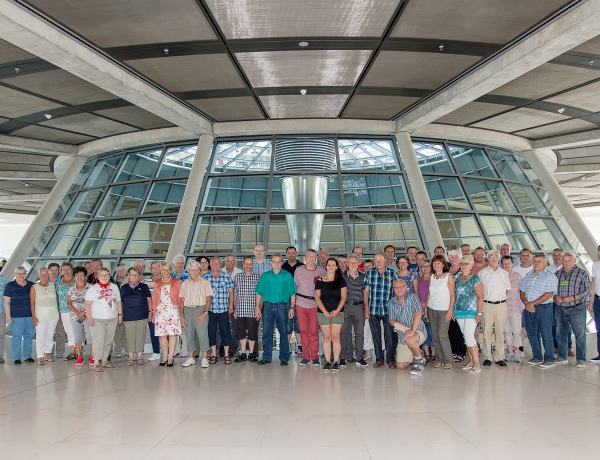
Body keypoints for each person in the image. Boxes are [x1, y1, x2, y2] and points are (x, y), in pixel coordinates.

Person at [255, 253, 296, 366]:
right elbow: (259, 293)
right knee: (267, 332)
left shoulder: (287, 276)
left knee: (283, 332)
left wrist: (292, 307)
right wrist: (257, 307)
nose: (276, 264)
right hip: (267, 307)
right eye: (274, 261)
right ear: (271, 263)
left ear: (282, 263)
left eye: (279, 261)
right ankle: (266, 357)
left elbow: (292, 293)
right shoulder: (265, 276)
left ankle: (284, 358)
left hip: (282, 307)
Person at [519, 255, 557, 368]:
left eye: (539, 261)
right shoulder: (528, 275)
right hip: (528, 308)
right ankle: (537, 356)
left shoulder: (550, 276)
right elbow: (522, 290)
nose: (536, 263)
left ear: (545, 263)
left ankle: (549, 358)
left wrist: (533, 303)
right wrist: (526, 303)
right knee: (531, 333)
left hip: (544, 308)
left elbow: (549, 294)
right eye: (535, 261)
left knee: (546, 333)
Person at [553, 253, 590, 368]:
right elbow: (552, 290)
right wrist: (556, 297)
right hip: (560, 308)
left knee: (580, 334)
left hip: (577, 308)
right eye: (564, 260)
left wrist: (573, 297)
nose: (567, 262)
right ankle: (562, 356)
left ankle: (581, 359)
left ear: (574, 261)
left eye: (569, 260)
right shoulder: (557, 274)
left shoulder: (582, 273)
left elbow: (587, 291)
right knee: (560, 333)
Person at [363, 252, 399, 368]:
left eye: (380, 259)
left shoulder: (392, 274)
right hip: (373, 310)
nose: (378, 262)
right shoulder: (370, 273)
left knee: (389, 335)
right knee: (376, 335)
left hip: (388, 311)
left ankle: (390, 359)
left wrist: (396, 309)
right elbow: (366, 292)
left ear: (384, 260)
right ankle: (379, 359)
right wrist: (366, 308)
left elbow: (397, 292)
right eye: (376, 260)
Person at [478, 249, 511, 367]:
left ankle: (499, 357)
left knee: (500, 332)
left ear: (499, 258)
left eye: (496, 256)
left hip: (501, 304)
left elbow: (507, 289)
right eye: (491, 256)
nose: (493, 258)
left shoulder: (504, 273)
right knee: (486, 331)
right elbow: (479, 290)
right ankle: (488, 356)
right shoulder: (482, 273)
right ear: (487, 258)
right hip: (487, 304)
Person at [85, 268, 122, 372]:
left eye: (107, 275)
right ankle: (96, 362)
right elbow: (88, 304)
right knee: (98, 340)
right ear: (98, 276)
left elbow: (118, 301)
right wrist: (90, 318)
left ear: (110, 276)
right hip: (97, 319)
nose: (105, 277)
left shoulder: (114, 287)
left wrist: (120, 314)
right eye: (102, 275)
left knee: (108, 340)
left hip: (112, 318)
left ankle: (105, 360)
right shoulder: (93, 289)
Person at [388, 279, 427, 375]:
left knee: (410, 338)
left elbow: (418, 314)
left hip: (418, 331)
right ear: (393, 289)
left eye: (401, 286)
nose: (399, 289)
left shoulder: (412, 297)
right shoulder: (391, 302)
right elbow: (392, 321)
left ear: (406, 287)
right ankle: (419, 352)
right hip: (403, 336)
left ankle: (418, 362)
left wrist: (412, 331)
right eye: (396, 287)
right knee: (400, 366)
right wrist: (405, 330)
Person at [295, 249, 326, 366]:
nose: (311, 258)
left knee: (313, 331)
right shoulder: (298, 270)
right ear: (305, 258)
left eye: (313, 256)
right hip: (301, 304)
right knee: (303, 331)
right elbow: (296, 286)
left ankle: (315, 356)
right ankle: (306, 356)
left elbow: (325, 288)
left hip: (315, 304)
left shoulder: (321, 271)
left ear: (316, 258)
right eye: (309, 256)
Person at [315, 258, 347, 371]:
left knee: (336, 337)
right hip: (323, 312)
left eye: (333, 265)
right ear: (326, 266)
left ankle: (336, 361)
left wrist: (337, 310)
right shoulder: (319, 281)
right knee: (326, 337)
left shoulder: (341, 280)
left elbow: (344, 297)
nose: (331, 267)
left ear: (336, 267)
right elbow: (317, 298)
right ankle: (328, 361)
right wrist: (324, 311)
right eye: (329, 265)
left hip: (337, 313)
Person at [179, 261, 213, 368]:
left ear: (199, 270)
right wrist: (181, 315)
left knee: (202, 334)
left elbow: (208, 300)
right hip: (188, 310)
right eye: (192, 270)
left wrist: (204, 313)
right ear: (188, 271)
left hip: (201, 309)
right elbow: (181, 301)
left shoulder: (205, 283)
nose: (194, 272)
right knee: (189, 334)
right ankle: (191, 358)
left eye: (196, 269)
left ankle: (204, 358)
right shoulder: (184, 284)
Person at [453, 256, 483, 374]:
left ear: (471, 265)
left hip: (472, 311)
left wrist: (479, 313)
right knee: (466, 337)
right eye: (462, 263)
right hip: (459, 311)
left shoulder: (476, 278)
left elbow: (480, 297)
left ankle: (477, 363)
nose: (464, 266)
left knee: (469, 336)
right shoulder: (456, 277)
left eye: (466, 264)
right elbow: (454, 294)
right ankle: (470, 361)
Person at [203, 257, 234, 364]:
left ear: (221, 265)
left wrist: (231, 306)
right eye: (214, 263)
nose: (216, 265)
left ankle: (226, 354)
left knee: (225, 332)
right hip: (210, 310)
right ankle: (214, 354)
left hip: (223, 309)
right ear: (210, 264)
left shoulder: (226, 276)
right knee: (211, 332)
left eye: (218, 263)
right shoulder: (205, 277)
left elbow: (231, 292)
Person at [427, 255, 455, 369]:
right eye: (434, 263)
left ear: (444, 264)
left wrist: (450, 310)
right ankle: (439, 358)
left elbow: (453, 294)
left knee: (442, 335)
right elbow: (429, 293)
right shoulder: (432, 276)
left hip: (443, 309)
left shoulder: (448, 276)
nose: (436, 265)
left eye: (439, 263)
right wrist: (425, 309)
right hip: (431, 308)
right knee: (434, 336)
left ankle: (448, 360)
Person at [152, 262, 182, 367]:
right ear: (161, 270)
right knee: (161, 335)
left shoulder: (177, 281)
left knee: (173, 334)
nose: (166, 271)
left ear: (171, 270)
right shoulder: (157, 282)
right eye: (163, 269)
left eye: (168, 269)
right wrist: (153, 312)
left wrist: (180, 311)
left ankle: (170, 357)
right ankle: (164, 356)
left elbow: (180, 297)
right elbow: (154, 299)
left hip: (173, 310)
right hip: (160, 311)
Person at [120, 267, 152, 366]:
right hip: (128, 316)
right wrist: (120, 315)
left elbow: (149, 300)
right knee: (130, 337)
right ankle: (130, 357)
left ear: (139, 276)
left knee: (140, 336)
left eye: (136, 275)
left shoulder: (144, 286)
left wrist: (150, 312)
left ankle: (139, 357)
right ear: (128, 276)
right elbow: (120, 303)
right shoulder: (124, 288)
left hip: (142, 315)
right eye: (132, 274)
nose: (134, 277)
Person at [4, 266, 35, 364]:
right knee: (17, 336)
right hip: (16, 316)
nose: (21, 275)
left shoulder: (31, 285)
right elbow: (6, 302)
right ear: (15, 274)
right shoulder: (10, 286)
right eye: (19, 273)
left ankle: (27, 356)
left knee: (29, 336)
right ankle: (17, 357)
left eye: (23, 273)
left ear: (26, 274)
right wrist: (8, 317)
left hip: (29, 315)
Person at [341, 255, 368, 367]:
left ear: (358, 264)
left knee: (360, 334)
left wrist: (366, 308)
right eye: (350, 262)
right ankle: (343, 357)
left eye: (355, 263)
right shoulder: (341, 277)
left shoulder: (363, 277)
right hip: (345, 307)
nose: (352, 264)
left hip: (359, 307)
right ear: (347, 264)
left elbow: (365, 293)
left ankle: (359, 358)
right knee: (344, 333)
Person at [232, 257, 260, 363]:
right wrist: (234, 309)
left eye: (250, 264)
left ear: (253, 265)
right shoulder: (237, 277)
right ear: (243, 264)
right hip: (240, 310)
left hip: (252, 310)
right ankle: (243, 353)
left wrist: (259, 309)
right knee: (241, 333)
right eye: (246, 264)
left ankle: (252, 353)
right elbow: (235, 293)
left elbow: (260, 294)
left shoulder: (258, 277)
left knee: (252, 333)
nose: (248, 266)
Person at [31, 267, 59, 365]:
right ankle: (40, 356)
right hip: (40, 315)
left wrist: (57, 312)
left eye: (46, 274)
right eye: (42, 274)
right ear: (39, 275)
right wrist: (34, 316)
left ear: (48, 275)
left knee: (50, 335)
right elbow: (32, 303)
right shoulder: (34, 287)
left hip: (53, 314)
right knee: (40, 336)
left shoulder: (52, 285)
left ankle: (48, 353)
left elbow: (55, 299)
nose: (44, 276)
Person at [547, 248, 572, 355]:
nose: (557, 256)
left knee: (566, 325)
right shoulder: (548, 269)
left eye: (559, 254)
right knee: (553, 324)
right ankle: (555, 346)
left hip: (565, 301)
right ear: (552, 256)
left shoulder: (567, 268)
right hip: (552, 300)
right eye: (555, 254)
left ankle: (568, 347)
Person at [67, 266, 93, 366]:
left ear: (85, 276)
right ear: (74, 277)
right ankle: (79, 356)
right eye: (77, 275)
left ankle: (92, 356)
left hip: (88, 314)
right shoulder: (71, 289)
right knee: (77, 337)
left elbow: (93, 301)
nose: (79, 277)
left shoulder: (90, 287)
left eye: (81, 275)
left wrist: (83, 312)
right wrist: (78, 313)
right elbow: (69, 303)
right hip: (75, 316)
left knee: (90, 336)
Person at [137, 260, 161, 362]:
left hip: (163, 309)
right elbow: (145, 297)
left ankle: (167, 351)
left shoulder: (165, 279)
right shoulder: (146, 281)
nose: (155, 270)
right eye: (153, 268)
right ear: (150, 270)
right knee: (153, 331)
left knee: (165, 332)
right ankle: (156, 352)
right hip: (151, 309)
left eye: (157, 267)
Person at [282, 246, 304, 355]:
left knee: (299, 323)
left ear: (296, 254)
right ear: (286, 255)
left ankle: (300, 347)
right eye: (289, 253)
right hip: (286, 300)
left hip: (300, 299)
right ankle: (287, 347)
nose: (291, 255)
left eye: (293, 253)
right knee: (287, 324)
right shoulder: (282, 268)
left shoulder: (302, 267)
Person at [413, 259, 435, 364]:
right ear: (420, 268)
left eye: (427, 266)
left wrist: (427, 304)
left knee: (432, 330)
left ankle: (434, 353)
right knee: (424, 330)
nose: (425, 268)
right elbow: (416, 293)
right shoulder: (417, 279)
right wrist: (421, 304)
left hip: (432, 306)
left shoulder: (434, 279)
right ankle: (426, 352)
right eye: (423, 266)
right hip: (420, 307)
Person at [502, 256, 523, 362]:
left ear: (512, 264)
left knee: (516, 331)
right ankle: (510, 352)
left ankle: (517, 352)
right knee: (507, 331)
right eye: (504, 263)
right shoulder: (500, 276)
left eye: (508, 263)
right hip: (503, 308)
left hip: (515, 307)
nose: (506, 265)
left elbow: (522, 292)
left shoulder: (517, 276)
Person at [56, 262, 77, 361]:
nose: (66, 271)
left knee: (77, 331)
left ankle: (79, 352)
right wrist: (58, 311)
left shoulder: (76, 280)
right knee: (69, 331)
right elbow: (57, 298)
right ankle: (73, 352)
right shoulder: (59, 282)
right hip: (64, 310)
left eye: (68, 269)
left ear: (72, 270)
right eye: (64, 269)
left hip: (76, 310)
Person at [113, 263, 128, 358]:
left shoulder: (130, 282)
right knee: (118, 331)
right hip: (116, 310)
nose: (120, 272)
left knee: (127, 331)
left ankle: (128, 349)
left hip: (128, 309)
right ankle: (118, 349)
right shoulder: (113, 284)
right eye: (118, 271)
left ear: (125, 271)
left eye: (122, 270)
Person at [588, 244, 600, 364]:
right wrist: (591, 301)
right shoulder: (595, 265)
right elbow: (593, 283)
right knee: (599, 328)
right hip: (597, 300)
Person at [0, 273, 9, 363]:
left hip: (1, 311)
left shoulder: (4, 280)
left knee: (1, 335)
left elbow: (8, 295)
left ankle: (0, 356)